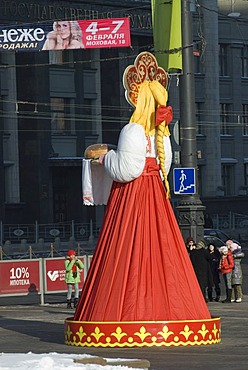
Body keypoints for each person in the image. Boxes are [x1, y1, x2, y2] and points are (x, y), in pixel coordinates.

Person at [74, 55, 211, 324]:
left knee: (127, 253)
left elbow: (127, 170)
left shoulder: (132, 130)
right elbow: (164, 165)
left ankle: (123, 316)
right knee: (162, 253)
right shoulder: (162, 134)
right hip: (156, 197)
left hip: (133, 199)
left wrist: (104, 158)